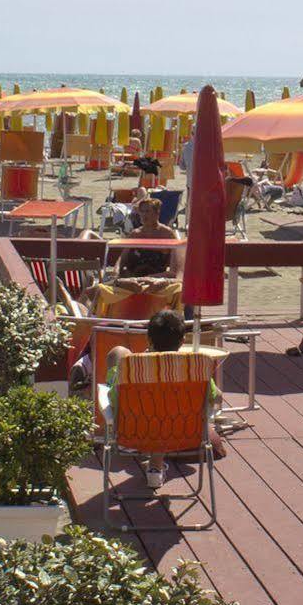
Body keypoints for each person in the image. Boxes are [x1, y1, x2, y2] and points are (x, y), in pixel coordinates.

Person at [102, 310, 226, 486]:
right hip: (186, 433)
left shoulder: (131, 367)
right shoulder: (194, 368)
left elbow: (114, 400)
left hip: (133, 431)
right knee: (165, 410)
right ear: (183, 341)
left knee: (118, 354)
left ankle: (155, 466)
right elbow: (217, 398)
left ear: (149, 340)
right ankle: (155, 466)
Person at [116, 198, 182, 278]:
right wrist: (116, 271)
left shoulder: (167, 234)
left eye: (147, 211)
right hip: (133, 277)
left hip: (157, 278)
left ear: (157, 213)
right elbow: (122, 259)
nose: (144, 215)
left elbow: (174, 269)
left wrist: (149, 278)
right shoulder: (135, 234)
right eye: (142, 211)